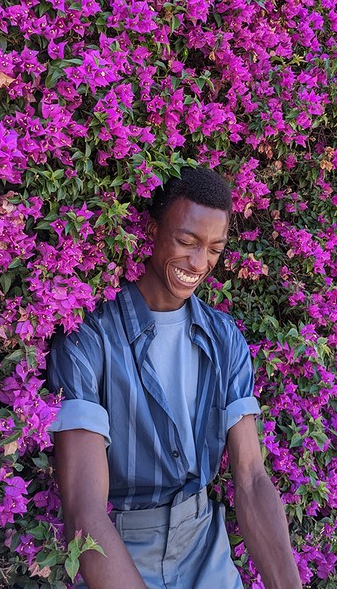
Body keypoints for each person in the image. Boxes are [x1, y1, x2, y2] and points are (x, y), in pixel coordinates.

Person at [47, 167, 302, 589]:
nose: (199, 263)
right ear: (152, 230)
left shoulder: (225, 338)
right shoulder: (89, 338)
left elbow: (252, 478)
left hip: (204, 545)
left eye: (214, 248)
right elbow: (84, 510)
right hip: (119, 548)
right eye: (186, 241)